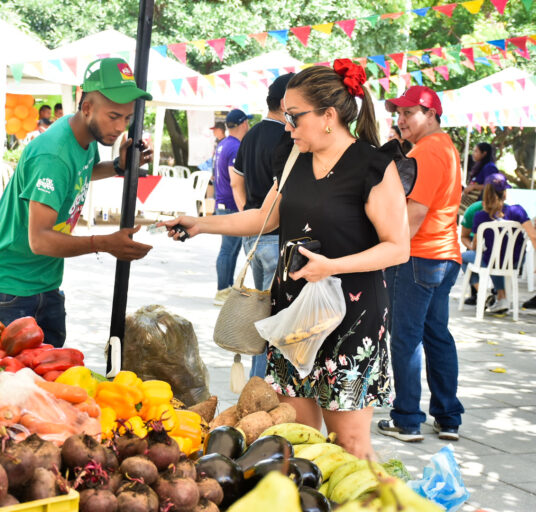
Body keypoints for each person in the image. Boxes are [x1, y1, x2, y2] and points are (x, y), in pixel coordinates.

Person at [164, 61, 409, 458]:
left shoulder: (373, 166)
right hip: (292, 316)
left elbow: (398, 247)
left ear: (328, 116)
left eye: (294, 117)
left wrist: (331, 267)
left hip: (350, 321)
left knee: (348, 446)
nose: (288, 127)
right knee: (295, 439)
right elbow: (265, 217)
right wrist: (200, 223)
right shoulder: (293, 158)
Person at [0, 58, 153, 346]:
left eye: (126, 119)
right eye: (114, 116)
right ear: (88, 107)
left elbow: (81, 174)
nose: (120, 127)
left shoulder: (85, 137)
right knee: (5, 385)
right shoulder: (52, 154)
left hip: (45, 282)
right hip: (7, 287)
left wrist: (118, 166)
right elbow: (40, 241)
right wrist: (104, 242)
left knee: (45, 383)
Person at [379, 85, 464, 443]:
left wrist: (386, 249)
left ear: (431, 114)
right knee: (436, 336)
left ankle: (408, 419)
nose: (401, 120)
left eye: (408, 113)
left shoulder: (427, 151)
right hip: (445, 255)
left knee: (406, 339)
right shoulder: (446, 146)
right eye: (398, 114)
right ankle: (447, 417)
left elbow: (414, 216)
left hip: (419, 255)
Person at [230, 73, 294, 378]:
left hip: (253, 234)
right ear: (285, 102)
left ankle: (258, 384)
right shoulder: (289, 137)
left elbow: (235, 179)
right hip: (276, 236)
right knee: (274, 321)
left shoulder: (251, 134)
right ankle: (260, 385)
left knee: (264, 313)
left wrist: (248, 211)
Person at [470, 173, 536, 314]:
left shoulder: (480, 216)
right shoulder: (517, 211)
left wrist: (472, 248)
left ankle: (484, 291)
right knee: (495, 257)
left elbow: (475, 246)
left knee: (465, 258)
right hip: (515, 261)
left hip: (491, 261)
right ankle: (501, 297)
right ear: (504, 193)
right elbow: (533, 235)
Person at [212, 109, 252, 306]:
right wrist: (243, 206)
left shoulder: (223, 144)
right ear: (243, 123)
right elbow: (235, 180)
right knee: (228, 249)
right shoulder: (235, 147)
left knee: (230, 249)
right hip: (231, 203)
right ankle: (222, 290)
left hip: (222, 201)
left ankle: (226, 288)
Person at [459, 198, 496, 308]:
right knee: (469, 255)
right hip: (480, 251)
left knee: (462, 258)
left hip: (496, 254)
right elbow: (465, 237)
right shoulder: (474, 210)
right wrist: (473, 248)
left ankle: (484, 292)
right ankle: (483, 293)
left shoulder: (479, 215)